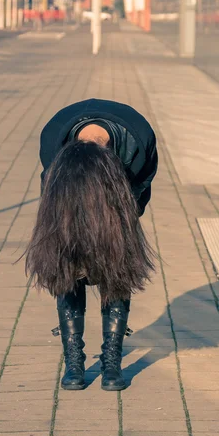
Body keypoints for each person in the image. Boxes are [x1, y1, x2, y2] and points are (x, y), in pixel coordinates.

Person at [25, 99, 158, 391]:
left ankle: (112, 362)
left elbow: (144, 182)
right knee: (67, 268)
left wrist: (122, 220)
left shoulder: (139, 144)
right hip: (68, 200)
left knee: (117, 271)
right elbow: (50, 191)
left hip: (117, 202)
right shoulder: (53, 141)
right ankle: (74, 362)